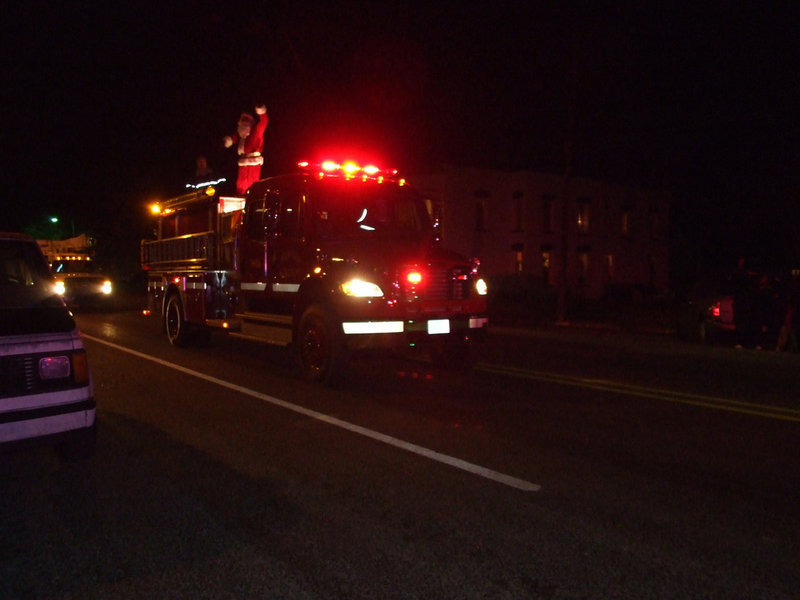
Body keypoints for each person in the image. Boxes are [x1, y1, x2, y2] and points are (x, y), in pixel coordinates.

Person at [224, 104, 268, 195]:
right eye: (243, 120)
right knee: (241, 183)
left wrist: (261, 112)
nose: (244, 122)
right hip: (243, 163)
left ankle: (252, 197)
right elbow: (233, 138)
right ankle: (241, 195)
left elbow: (264, 122)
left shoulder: (256, 131)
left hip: (253, 162)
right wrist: (228, 141)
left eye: (246, 120)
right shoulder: (240, 134)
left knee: (252, 184)